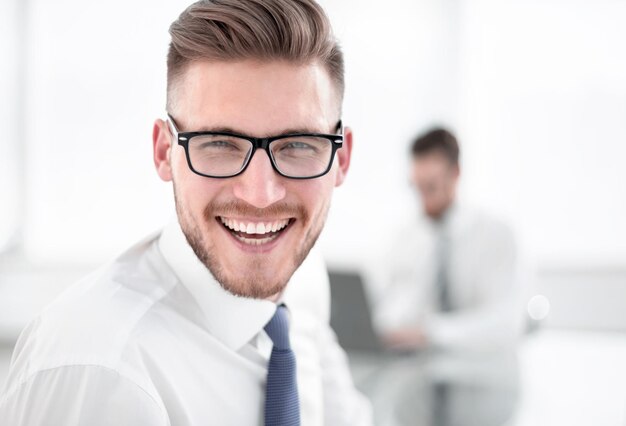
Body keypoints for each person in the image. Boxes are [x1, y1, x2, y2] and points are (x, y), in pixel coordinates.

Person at [0, 1, 372, 425]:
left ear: (342, 160)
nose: (261, 194)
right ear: (164, 152)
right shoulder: (102, 370)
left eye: (299, 145)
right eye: (220, 143)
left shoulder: (302, 290)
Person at [375, 128, 524, 352]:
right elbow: (389, 308)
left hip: (480, 370)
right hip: (417, 370)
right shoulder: (405, 238)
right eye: (417, 187)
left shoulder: (495, 235)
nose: (422, 199)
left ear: (456, 173)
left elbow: (505, 324)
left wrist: (431, 333)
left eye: (431, 187)